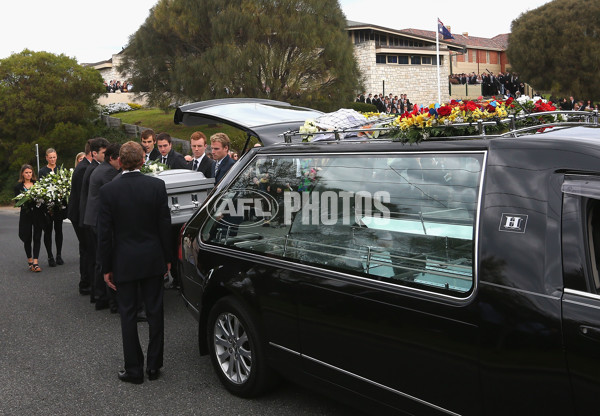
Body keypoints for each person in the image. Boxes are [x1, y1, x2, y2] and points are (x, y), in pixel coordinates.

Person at [98, 141, 171, 384]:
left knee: (128, 315)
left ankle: (134, 370)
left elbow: (105, 235)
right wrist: (168, 259)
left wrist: (105, 267)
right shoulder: (157, 186)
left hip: (124, 260)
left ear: (120, 161)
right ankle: (154, 365)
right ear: (142, 161)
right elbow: (164, 227)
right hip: (152, 258)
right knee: (155, 311)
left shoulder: (109, 191)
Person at [84, 142, 122, 312]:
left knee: (100, 260)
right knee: (105, 260)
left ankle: (99, 297)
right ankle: (106, 298)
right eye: (119, 160)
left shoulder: (101, 169)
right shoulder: (108, 172)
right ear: (112, 158)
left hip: (92, 218)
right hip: (99, 220)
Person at [80, 137, 110, 304]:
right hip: (94, 219)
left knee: (96, 258)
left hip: (90, 218)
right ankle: (98, 295)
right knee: (98, 258)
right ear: (94, 153)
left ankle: (96, 294)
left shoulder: (93, 168)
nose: (105, 156)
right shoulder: (94, 170)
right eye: (103, 153)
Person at [68, 141, 93, 295]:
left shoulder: (83, 166)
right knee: (87, 249)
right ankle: (85, 283)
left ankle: (86, 281)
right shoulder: (84, 168)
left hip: (77, 213)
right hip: (79, 215)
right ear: (93, 153)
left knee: (85, 249)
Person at [15, 165, 44, 273]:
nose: (28, 174)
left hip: (37, 214)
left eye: (30, 172)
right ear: (22, 173)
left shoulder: (37, 185)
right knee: (27, 238)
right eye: (26, 172)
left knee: (37, 236)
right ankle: (30, 261)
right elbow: (18, 203)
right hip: (26, 215)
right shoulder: (18, 187)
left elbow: (42, 198)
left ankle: (36, 262)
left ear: (32, 174)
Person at [39, 148, 64, 267]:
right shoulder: (42, 171)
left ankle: (59, 255)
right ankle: (50, 256)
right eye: (50, 157)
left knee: (59, 230)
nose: (53, 159)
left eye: (54, 157)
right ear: (46, 158)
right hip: (47, 207)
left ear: (57, 157)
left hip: (58, 206)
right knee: (48, 231)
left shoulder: (61, 169)